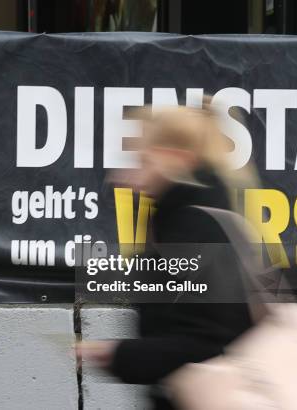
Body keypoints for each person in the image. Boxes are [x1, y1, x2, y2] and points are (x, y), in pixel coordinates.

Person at [76, 104, 258, 410]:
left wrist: (116, 354)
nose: (120, 176)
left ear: (177, 158)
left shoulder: (193, 228)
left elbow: (207, 343)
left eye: (142, 160)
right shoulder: (188, 220)